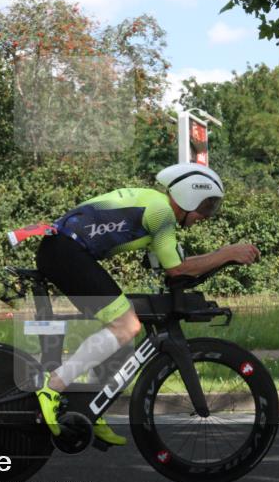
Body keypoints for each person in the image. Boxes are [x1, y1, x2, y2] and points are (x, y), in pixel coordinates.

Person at [34, 163, 260, 446]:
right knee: (126, 325)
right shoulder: (161, 213)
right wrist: (227, 253)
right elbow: (178, 270)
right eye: (207, 205)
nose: (207, 215)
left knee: (120, 329)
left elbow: (172, 265)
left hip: (65, 250)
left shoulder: (156, 207)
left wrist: (222, 257)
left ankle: (86, 405)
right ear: (189, 196)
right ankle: (53, 386)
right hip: (65, 252)